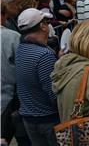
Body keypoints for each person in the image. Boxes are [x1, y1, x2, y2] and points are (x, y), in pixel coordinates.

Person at [15, 8, 59, 145]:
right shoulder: (44, 55)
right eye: (46, 22)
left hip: (29, 118)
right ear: (42, 26)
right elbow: (53, 93)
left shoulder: (21, 49)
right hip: (47, 120)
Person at [1, 2, 31, 145]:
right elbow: (24, 66)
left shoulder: (11, 36)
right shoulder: (11, 37)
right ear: (3, 16)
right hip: (9, 103)